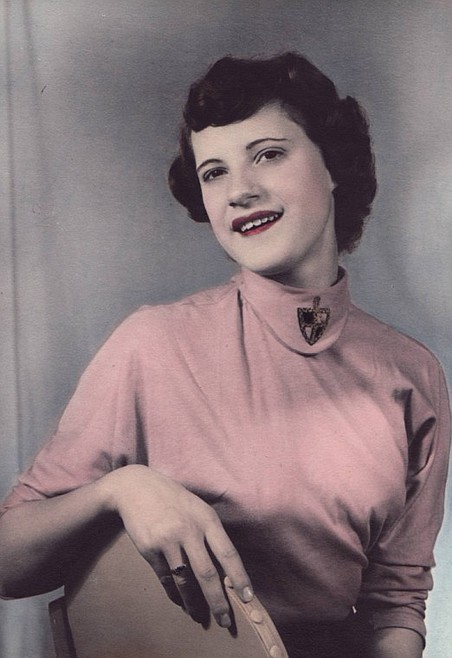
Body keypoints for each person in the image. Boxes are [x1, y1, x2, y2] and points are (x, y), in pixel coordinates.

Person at [0, 52, 450, 658]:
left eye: (268, 154)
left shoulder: (412, 374)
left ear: (334, 165)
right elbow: (7, 559)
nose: (240, 191)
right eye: (214, 172)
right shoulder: (152, 344)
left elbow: (397, 601)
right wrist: (121, 489)